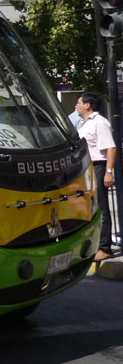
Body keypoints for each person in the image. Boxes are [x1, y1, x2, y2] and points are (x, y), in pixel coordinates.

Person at [76, 92, 116, 261]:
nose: (76, 105)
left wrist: (108, 172)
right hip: (86, 169)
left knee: (101, 207)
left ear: (88, 105)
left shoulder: (100, 123)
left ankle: (105, 247)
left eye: (78, 102)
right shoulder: (84, 123)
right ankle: (93, 243)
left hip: (98, 167)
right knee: (88, 208)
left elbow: (111, 148)